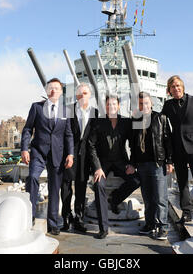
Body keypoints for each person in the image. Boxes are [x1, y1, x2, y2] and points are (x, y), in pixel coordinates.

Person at [21, 78, 74, 235]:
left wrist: (70, 154)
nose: (53, 91)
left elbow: (68, 134)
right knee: (32, 178)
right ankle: (29, 215)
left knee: (54, 188)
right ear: (46, 90)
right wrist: (24, 149)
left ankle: (53, 223)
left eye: (56, 88)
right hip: (38, 151)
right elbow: (27, 129)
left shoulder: (65, 111)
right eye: (50, 88)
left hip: (57, 154)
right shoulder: (36, 107)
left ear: (60, 92)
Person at [87, 94, 141, 239]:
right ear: (105, 107)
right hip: (103, 163)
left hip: (120, 161)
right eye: (108, 105)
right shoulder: (98, 122)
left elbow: (134, 144)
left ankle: (115, 199)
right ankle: (103, 228)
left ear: (118, 106)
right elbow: (91, 145)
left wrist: (132, 164)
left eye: (113, 104)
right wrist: (97, 167)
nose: (111, 107)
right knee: (99, 185)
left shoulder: (126, 122)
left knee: (136, 180)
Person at [161, 75, 193, 224]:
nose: (176, 88)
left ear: (182, 86)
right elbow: (161, 124)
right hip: (177, 149)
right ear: (169, 90)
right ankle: (186, 212)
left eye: (178, 86)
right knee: (182, 182)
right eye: (172, 87)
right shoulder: (168, 105)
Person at [130, 92, 173, 240]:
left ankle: (162, 227)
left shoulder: (160, 118)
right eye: (141, 104)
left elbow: (167, 141)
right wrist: (133, 163)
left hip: (157, 163)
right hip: (142, 165)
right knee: (147, 198)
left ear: (151, 103)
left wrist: (169, 161)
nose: (144, 106)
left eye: (146, 103)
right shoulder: (136, 120)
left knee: (160, 197)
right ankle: (149, 224)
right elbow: (133, 144)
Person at [60, 82, 98, 233]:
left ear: (90, 95)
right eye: (80, 94)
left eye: (86, 93)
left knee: (81, 187)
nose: (83, 96)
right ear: (76, 96)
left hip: (85, 156)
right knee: (66, 185)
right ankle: (66, 216)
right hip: (69, 153)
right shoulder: (68, 110)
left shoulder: (95, 113)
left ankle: (79, 218)